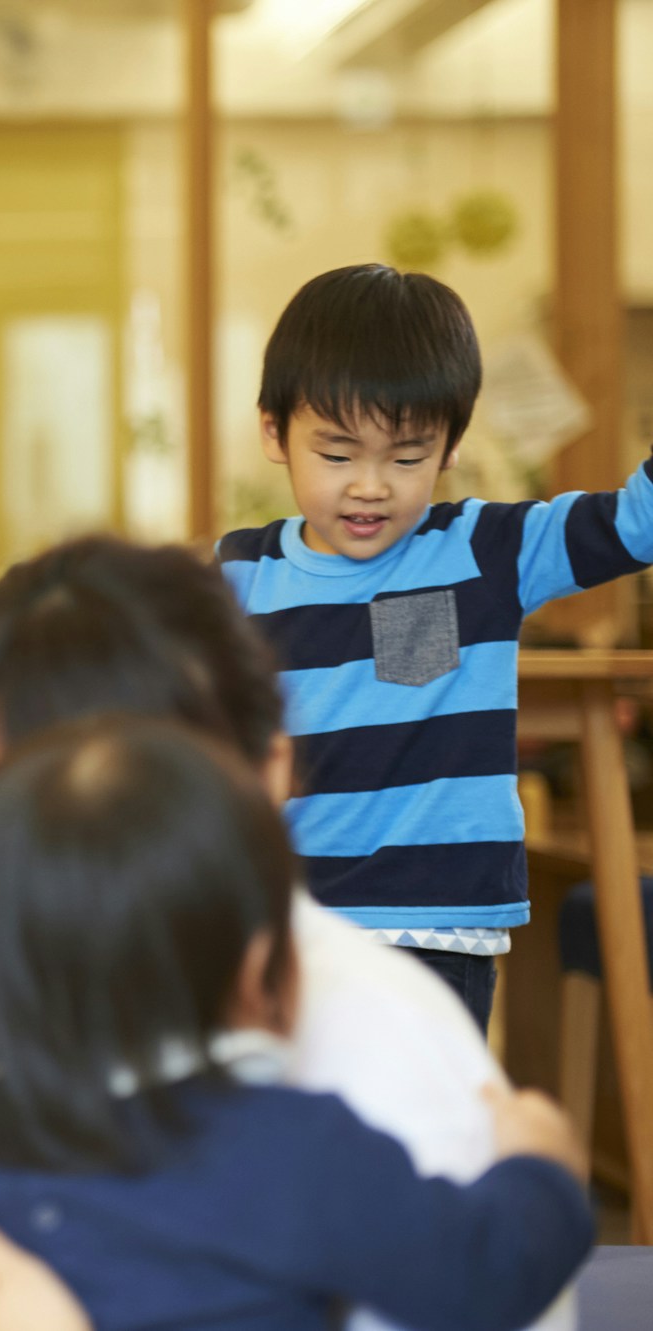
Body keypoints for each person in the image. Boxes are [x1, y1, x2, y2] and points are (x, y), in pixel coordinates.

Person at [0, 534, 573, 1331]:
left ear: (265, 774)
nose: (61, 879)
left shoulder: (372, 1056)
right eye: (7, 814)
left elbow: (488, 1279)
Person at [220, 263, 653, 1030]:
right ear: (273, 431)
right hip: (285, 923)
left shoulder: (486, 550)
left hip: (438, 925)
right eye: (338, 453)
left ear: (450, 446)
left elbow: (631, 524)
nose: (370, 485)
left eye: (407, 456)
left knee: (426, 1140)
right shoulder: (240, 575)